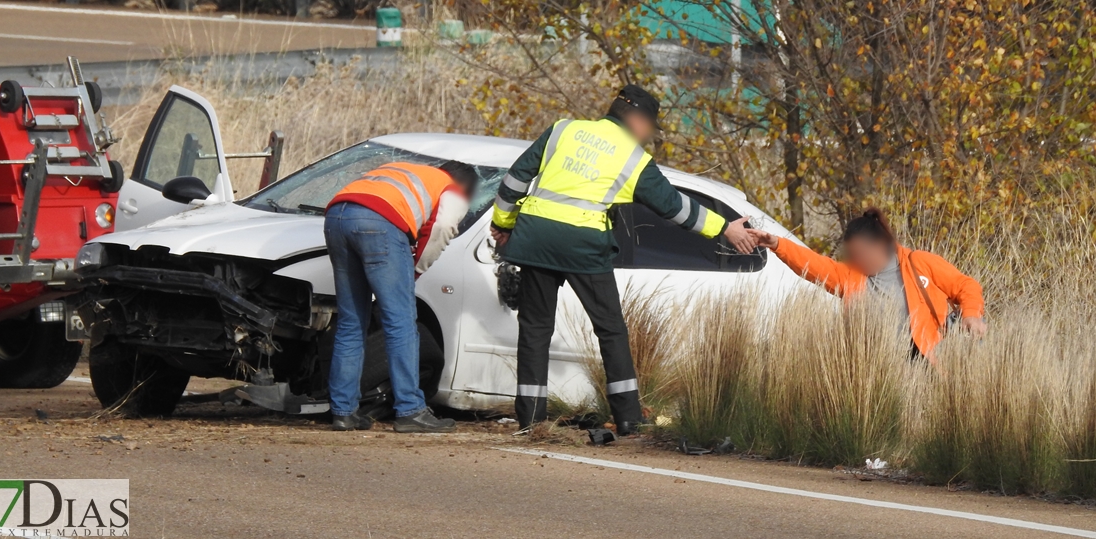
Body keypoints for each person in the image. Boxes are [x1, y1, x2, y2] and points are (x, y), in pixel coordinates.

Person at [490, 85, 757, 435]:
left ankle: (531, 421)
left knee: (536, 329)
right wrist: (723, 228)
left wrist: (503, 224)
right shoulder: (632, 157)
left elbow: (515, 179)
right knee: (611, 329)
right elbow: (674, 206)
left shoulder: (563, 129)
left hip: (536, 239)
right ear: (636, 120)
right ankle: (629, 416)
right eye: (650, 128)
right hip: (583, 244)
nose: (648, 136)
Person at [325, 160, 479, 432]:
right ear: (464, 187)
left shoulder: (407, 171)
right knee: (402, 324)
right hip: (379, 223)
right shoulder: (451, 189)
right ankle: (411, 410)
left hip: (337, 216)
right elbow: (442, 229)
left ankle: (344, 412)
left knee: (351, 322)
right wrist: (414, 271)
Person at [746, 208, 986, 359]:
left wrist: (972, 314)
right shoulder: (850, 276)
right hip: (879, 371)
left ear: (880, 245)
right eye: (851, 254)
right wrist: (777, 244)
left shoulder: (919, 262)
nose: (855, 260)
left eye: (859, 253)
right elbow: (814, 265)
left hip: (929, 363)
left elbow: (966, 286)